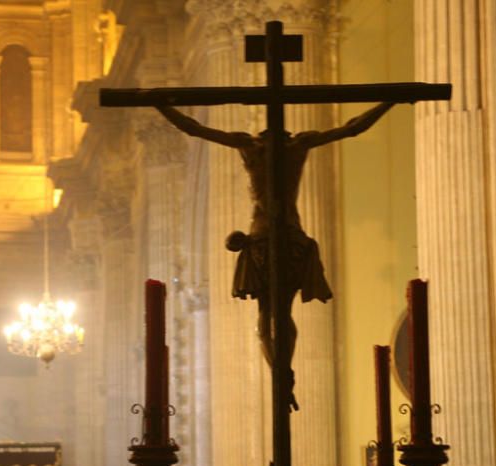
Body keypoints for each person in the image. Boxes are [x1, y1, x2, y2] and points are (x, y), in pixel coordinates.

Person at [154, 102, 400, 410]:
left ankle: (280, 375)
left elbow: (193, 127)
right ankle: (283, 376)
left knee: (266, 316)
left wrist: (158, 103)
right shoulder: (300, 143)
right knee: (282, 312)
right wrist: (390, 101)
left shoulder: (248, 145)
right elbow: (354, 126)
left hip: (261, 240)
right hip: (291, 239)